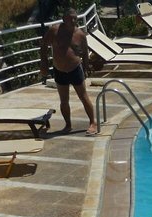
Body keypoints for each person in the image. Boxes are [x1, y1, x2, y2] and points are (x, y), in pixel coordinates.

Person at [39, 8, 97, 136]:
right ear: (64, 19)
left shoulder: (80, 34)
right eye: (70, 18)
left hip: (75, 68)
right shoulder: (55, 30)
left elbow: (85, 52)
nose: (73, 20)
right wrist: (44, 64)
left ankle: (93, 122)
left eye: (75, 18)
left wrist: (86, 67)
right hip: (59, 70)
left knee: (83, 96)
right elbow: (43, 45)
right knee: (64, 100)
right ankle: (68, 125)